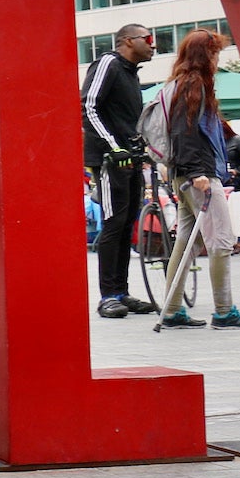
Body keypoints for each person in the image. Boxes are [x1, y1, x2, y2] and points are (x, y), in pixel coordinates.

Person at [156, 29, 240, 330]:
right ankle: (224, 311)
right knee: (222, 240)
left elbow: (184, 131)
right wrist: (199, 173)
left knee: (186, 243)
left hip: (185, 174)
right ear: (205, 55)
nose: (217, 58)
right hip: (198, 176)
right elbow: (185, 133)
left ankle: (173, 309)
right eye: (214, 53)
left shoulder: (179, 84)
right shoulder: (193, 84)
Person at [83, 23, 158, 318]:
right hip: (111, 160)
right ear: (127, 41)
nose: (153, 46)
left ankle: (121, 291)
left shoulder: (129, 74)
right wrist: (114, 147)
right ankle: (108, 296)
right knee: (114, 224)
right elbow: (89, 106)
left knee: (127, 225)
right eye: (149, 39)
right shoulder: (108, 63)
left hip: (130, 159)